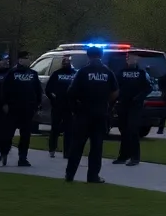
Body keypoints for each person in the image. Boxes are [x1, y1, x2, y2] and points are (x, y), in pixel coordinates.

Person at [65, 45, 119, 183]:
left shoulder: (83, 72)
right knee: (96, 147)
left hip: (83, 113)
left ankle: (70, 175)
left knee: (77, 145)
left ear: (88, 56)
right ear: (101, 55)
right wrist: (106, 104)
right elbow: (115, 92)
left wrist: (75, 109)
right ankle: (93, 176)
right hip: (100, 113)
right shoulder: (107, 72)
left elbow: (71, 92)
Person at [0, 51, 42, 167]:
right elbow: (4, 89)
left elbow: (38, 91)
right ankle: (4, 152)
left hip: (28, 108)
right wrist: (5, 103)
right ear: (20, 60)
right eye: (26, 58)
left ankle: (23, 157)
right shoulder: (12, 73)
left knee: (26, 135)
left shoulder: (33, 74)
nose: (28, 60)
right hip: (13, 108)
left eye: (29, 58)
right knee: (8, 133)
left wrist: (37, 105)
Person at [114, 51, 154, 167]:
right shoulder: (121, 72)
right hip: (123, 105)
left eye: (132, 58)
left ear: (136, 60)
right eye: (128, 58)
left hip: (135, 106)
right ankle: (123, 156)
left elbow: (148, 88)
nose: (129, 60)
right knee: (123, 131)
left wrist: (139, 98)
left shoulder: (141, 73)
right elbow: (116, 86)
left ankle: (135, 157)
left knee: (133, 130)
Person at [46, 54, 76, 158]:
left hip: (70, 107)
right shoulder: (56, 74)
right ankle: (52, 148)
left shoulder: (75, 74)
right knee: (55, 128)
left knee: (69, 130)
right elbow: (48, 90)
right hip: (57, 106)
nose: (66, 63)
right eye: (64, 61)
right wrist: (54, 99)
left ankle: (67, 152)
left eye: (68, 61)